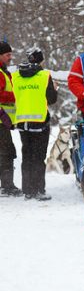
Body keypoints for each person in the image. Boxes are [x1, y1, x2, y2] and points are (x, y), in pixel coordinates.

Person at [12, 48, 57, 201]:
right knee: (38, 157)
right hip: (40, 123)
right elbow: (51, 99)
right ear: (41, 60)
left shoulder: (16, 75)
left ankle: (28, 190)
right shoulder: (45, 75)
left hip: (22, 122)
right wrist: (54, 89)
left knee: (27, 155)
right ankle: (39, 190)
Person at [0, 41, 22, 196]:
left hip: (4, 121)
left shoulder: (4, 72)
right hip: (1, 120)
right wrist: (16, 96)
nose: (10, 57)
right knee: (7, 152)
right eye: (7, 54)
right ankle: (7, 187)